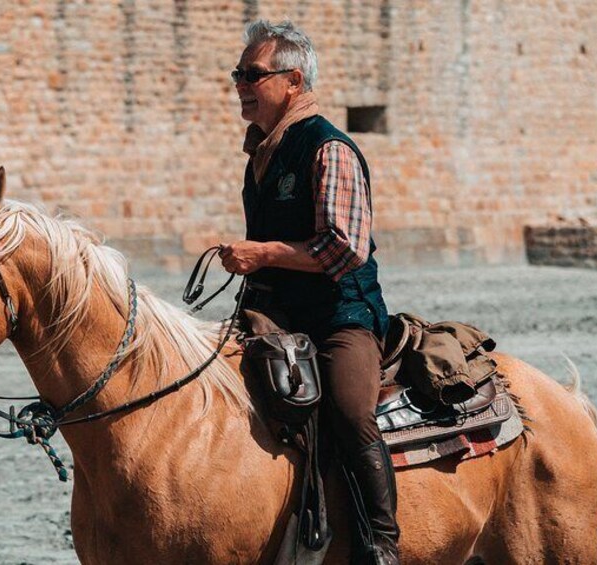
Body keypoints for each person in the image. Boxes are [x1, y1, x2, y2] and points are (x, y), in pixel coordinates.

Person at [219, 19, 400, 565]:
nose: (241, 85)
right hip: (275, 312)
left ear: (293, 81)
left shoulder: (329, 149)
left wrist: (264, 253)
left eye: (252, 74)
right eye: (237, 74)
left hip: (339, 316)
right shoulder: (263, 151)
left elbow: (346, 249)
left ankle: (381, 541)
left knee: (348, 410)